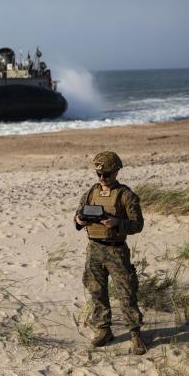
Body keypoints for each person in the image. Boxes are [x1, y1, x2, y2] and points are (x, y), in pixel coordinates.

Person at [74, 151, 147, 355]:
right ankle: (104, 329)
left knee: (126, 293)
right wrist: (79, 221)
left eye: (106, 174)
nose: (102, 178)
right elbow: (78, 215)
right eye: (99, 175)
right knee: (96, 290)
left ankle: (135, 334)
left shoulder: (126, 195)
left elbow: (138, 225)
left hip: (116, 251)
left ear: (116, 171)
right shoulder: (91, 192)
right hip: (94, 249)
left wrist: (117, 223)